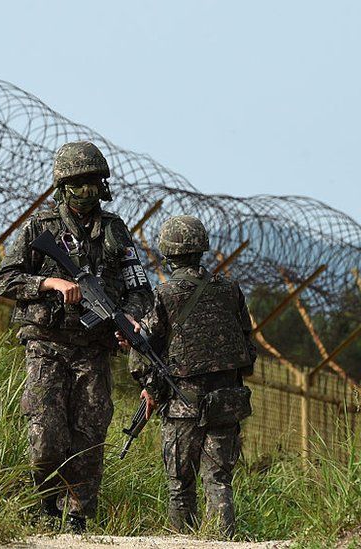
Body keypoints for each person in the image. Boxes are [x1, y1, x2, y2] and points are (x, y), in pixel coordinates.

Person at [0, 141, 153, 528]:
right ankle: (45, 508)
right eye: (77, 184)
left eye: (93, 183)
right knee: (46, 437)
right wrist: (51, 283)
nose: (86, 191)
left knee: (90, 436)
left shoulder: (115, 231)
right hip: (47, 346)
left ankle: (79, 520)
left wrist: (128, 321)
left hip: (94, 351)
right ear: (62, 187)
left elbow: (139, 290)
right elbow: (5, 280)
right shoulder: (40, 227)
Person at [118, 215, 256, 538]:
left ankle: (181, 541)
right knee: (219, 481)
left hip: (184, 408)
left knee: (181, 486)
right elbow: (247, 348)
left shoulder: (164, 295)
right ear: (201, 249)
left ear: (168, 252)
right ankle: (224, 543)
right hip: (226, 403)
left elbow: (142, 354)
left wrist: (150, 388)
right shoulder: (230, 291)